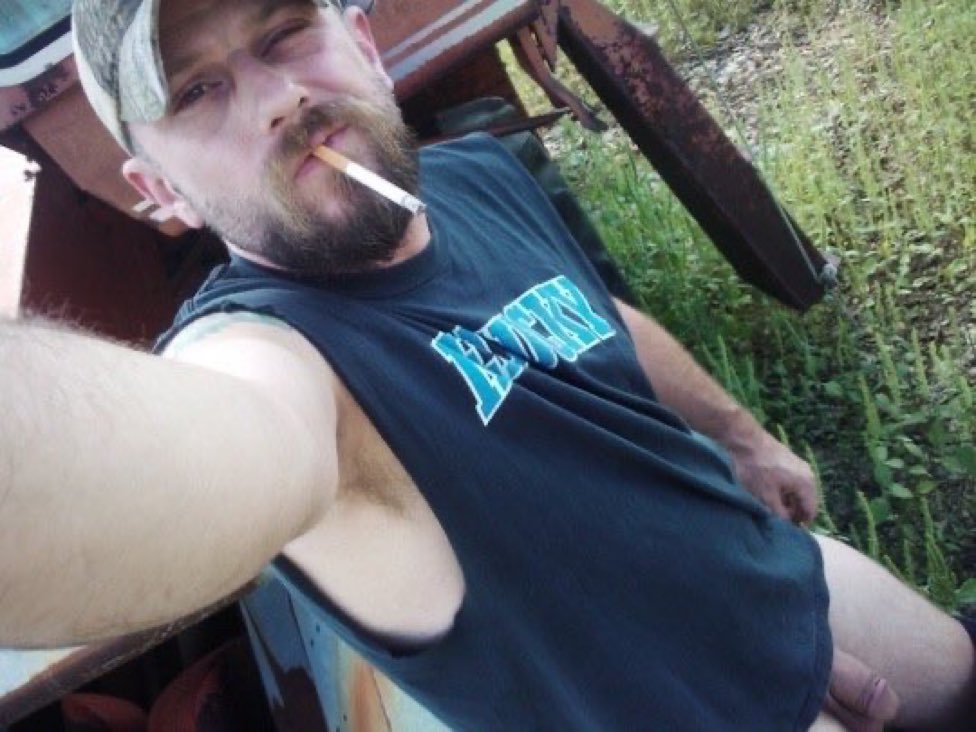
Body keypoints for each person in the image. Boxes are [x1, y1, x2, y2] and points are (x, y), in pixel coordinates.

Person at [1, 0, 971, 728]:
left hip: (768, 576)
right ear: (161, 192)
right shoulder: (274, 359)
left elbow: (596, 315)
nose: (279, 98)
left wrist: (741, 436)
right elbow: (205, 454)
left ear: (364, 46)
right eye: (196, 91)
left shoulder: (475, 179)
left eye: (285, 32)